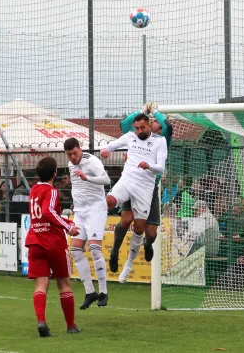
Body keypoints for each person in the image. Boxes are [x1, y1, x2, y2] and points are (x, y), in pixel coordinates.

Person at [100, 112, 168, 283]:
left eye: (142, 127)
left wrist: (149, 165)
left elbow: (161, 168)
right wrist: (106, 150)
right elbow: (113, 145)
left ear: (150, 125)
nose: (138, 131)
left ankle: (129, 265)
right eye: (136, 128)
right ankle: (112, 250)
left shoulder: (160, 141)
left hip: (146, 188)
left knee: (140, 229)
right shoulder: (130, 136)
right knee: (109, 202)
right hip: (127, 181)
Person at [25, 156, 81, 337]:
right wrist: (68, 227)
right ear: (55, 173)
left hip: (35, 240)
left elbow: (46, 214)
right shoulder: (53, 191)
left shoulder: (33, 190)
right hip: (53, 242)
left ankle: (41, 321)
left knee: (41, 285)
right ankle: (71, 326)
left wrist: (68, 223)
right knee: (64, 283)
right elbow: (49, 212)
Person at [64, 137, 111, 309]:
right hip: (80, 211)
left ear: (79, 148)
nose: (72, 157)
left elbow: (106, 180)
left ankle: (104, 292)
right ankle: (90, 292)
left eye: (74, 153)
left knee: (94, 249)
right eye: (69, 155)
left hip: (96, 209)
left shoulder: (92, 162)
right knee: (75, 251)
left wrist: (87, 178)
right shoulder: (70, 164)